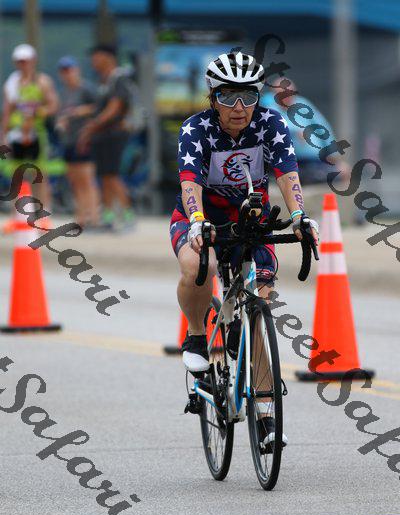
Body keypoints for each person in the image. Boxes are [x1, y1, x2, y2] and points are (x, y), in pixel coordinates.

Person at [170, 52, 319, 446]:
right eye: (228, 97)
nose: (239, 108)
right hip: (200, 216)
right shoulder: (195, 129)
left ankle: (266, 415)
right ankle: (197, 335)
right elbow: (190, 183)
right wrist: (197, 220)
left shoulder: (271, 124)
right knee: (198, 265)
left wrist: (300, 216)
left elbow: (287, 174)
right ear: (213, 97)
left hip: (250, 220)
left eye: (248, 97)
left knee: (260, 307)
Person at [77, 44, 135, 231]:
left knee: (113, 175)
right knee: (105, 176)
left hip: (115, 134)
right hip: (103, 135)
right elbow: (100, 107)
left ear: (109, 58)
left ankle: (128, 216)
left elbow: (114, 108)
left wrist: (93, 125)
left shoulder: (119, 78)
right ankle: (108, 217)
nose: (93, 61)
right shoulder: (104, 81)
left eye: (97, 57)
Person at [1, 43, 59, 212]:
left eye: (25, 61)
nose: (23, 64)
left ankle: (43, 210)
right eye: (20, 61)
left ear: (33, 60)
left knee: (39, 174)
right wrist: (3, 134)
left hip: (36, 133)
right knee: (17, 174)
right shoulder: (12, 83)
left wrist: (38, 112)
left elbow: (53, 105)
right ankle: (17, 213)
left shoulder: (42, 82)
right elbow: (7, 111)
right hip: (16, 134)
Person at [262, 77, 350, 184]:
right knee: (308, 177)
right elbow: (275, 123)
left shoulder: (303, 104)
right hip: (291, 162)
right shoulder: (269, 106)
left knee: (344, 171)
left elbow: (322, 127)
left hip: (316, 160)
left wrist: (334, 155)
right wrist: (296, 131)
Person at [56, 56, 100, 228]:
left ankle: (94, 217)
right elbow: (62, 113)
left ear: (76, 70)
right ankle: (81, 216)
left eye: (69, 70)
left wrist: (82, 111)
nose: (67, 74)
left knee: (86, 179)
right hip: (69, 141)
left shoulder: (86, 89)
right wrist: (62, 122)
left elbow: (99, 107)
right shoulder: (64, 92)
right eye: (64, 71)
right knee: (74, 180)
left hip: (84, 139)